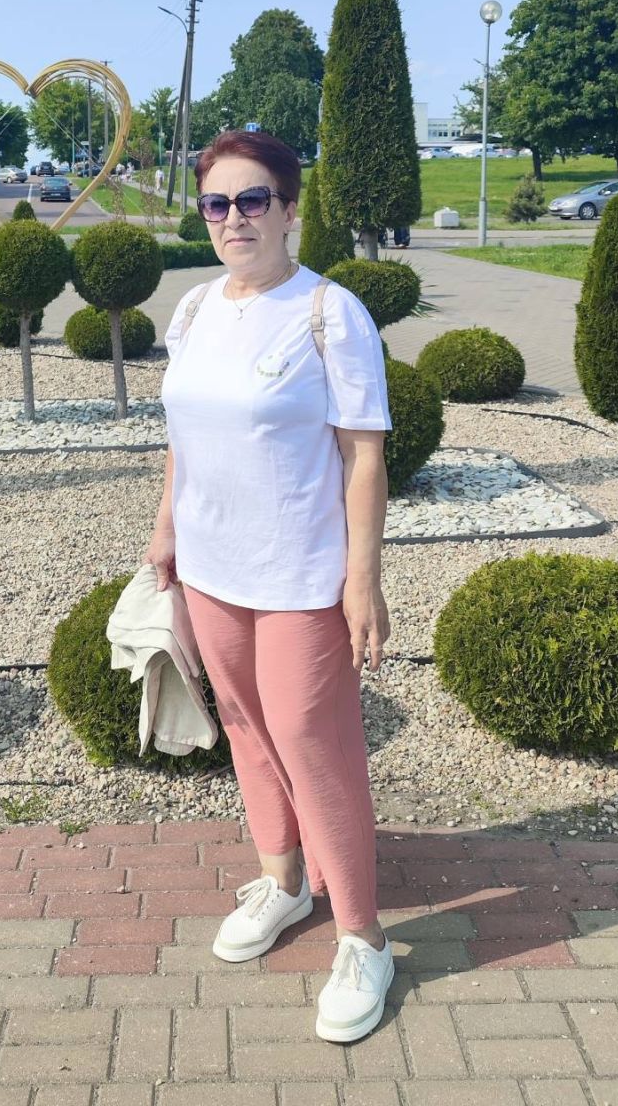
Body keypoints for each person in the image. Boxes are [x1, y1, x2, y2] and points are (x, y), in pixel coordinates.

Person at [148, 129, 394, 1045]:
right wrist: (166, 530)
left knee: (310, 738)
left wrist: (362, 578)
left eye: (254, 200)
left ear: (290, 210)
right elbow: (184, 437)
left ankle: (364, 938)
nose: (235, 219)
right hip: (213, 566)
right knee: (247, 726)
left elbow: (363, 454)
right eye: (217, 203)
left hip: (299, 572)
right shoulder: (194, 308)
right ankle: (285, 881)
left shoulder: (329, 312)